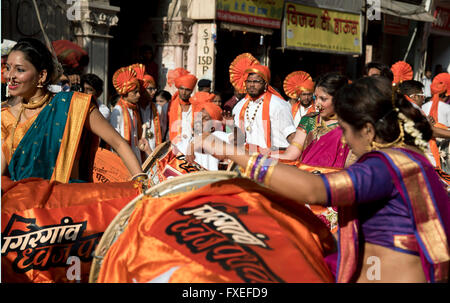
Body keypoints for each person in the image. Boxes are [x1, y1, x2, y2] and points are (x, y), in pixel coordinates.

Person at [193, 76, 450, 283]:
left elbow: (316, 190)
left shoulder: (387, 166)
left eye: (347, 132)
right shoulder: (406, 160)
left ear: (369, 130)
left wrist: (231, 152)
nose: (346, 141)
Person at [1, 38, 143, 182]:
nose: (9, 76)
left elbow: (118, 142)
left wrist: (140, 182)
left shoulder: (72, 104)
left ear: (42, 76)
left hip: (66, 200)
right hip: (22, 200)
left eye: (19, 69)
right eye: (7, 68)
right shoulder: (6, 117)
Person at [272, 72, 351, 169]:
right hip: (307, 179)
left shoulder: (352, 126)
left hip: (335, 181)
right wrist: (264, 158)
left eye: (323, 99)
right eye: (315, 97)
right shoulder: (309, 120)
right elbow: (292, 153)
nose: (317, 104)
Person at [231, 64, 296, 152]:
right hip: (249, 159)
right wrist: (229, 124)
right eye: (249, 81)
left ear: (265, 84)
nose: (252, 85)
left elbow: (291, 135)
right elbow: (238, 138)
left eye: (256, 81)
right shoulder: (239, 107)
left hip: (276, 158)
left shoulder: (279, 105)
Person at [109, 66, 144, 164]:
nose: (139, 95)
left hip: (135, 154)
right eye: (135, 92)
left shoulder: (134, 109)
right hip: (123, 158)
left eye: (139, 92)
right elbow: (114, 139)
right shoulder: (118, 110)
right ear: (125, 93)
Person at [128, 63, 163, 158]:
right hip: (137, 154)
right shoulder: (132, 109)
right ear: (142, 89)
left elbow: (162, 130)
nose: (154, 92)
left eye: (155, 88)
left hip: (153, 153)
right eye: (150, 89)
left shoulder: (158, 108)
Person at [167, 68, 197, 145]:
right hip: (175, 147)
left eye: (187, 90)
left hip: (192, 148)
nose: (184, 92)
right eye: (181, 89)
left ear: (191, 91)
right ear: (178, 89)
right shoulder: (169, 106)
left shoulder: (196, 107)